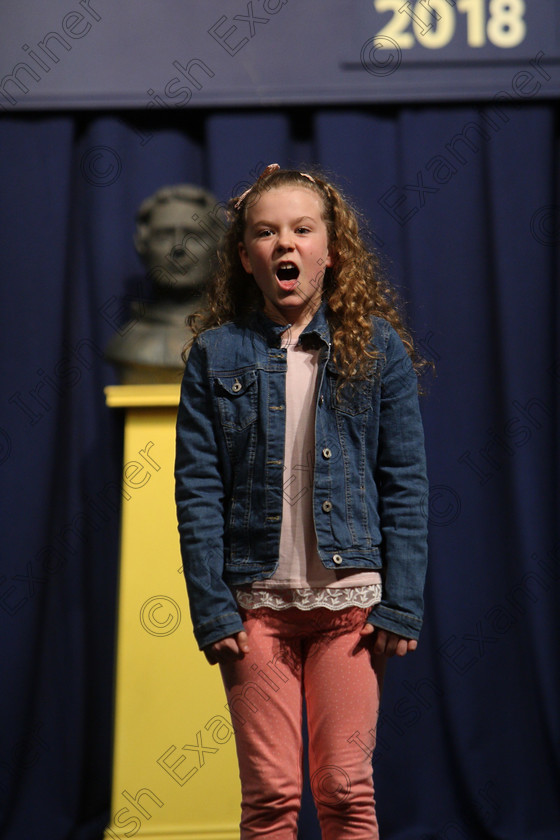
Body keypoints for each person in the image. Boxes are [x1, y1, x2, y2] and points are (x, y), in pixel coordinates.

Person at [174, 164, 429, 839]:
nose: (284, 243)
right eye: (266, 232)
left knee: (346, 790)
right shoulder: (214, 354)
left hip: (350, 606)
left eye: (301, 229)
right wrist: (210, 604)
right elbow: (197, 489)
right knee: (272, 795)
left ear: (330, 249)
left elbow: (404, 480)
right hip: (254, 607)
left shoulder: (375, 348)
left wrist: (401, 600)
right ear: (246, 256)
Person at [105, 184, 224, 383]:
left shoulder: (237, 340)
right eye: (163, 236)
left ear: (219, 247)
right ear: (142, 245)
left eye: (194, 236)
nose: (179, 248)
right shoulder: (128, 344)